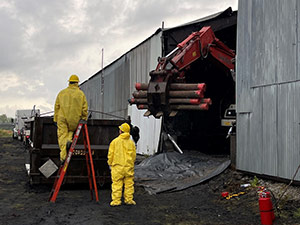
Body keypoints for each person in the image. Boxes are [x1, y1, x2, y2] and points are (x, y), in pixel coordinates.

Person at [54, 74, 88, 163]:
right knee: (70, 132)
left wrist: (55, 119)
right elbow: (84, 108)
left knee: (62, 136)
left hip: (62, 118)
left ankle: (63, 157)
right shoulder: (81, 94)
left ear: (69, 82)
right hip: (75, 119)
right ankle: (68, 142)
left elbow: (57, 107)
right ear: (77, 83)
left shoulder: (62, 93)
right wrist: (84, 118)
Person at [107, 122, 136, 206]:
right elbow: (134, 155)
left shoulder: (114, 142)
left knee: (116, 184)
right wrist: (131, 163)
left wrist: (110, 163)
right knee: (129, 184)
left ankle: (116, 201)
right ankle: (129, 200)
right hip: (128, 167)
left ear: (121, 131)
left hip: (117, 167)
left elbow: (110, 154)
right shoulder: (131, 143)